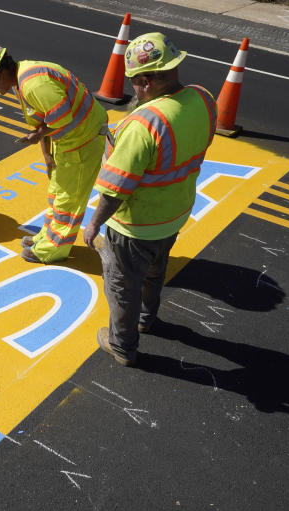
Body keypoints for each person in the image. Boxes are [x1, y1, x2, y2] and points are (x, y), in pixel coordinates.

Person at [82, 32, 218, 366]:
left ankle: (122, 346)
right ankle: (147, 318)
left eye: (134, 83)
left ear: (145, 80)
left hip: (135, 227)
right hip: (175, 214)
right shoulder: (203, 98)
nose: (132, 89)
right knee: (155, 272)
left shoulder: (143, 124)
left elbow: (115, 190)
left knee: (121, 287)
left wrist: (94, 225)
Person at [0, 45, 108, 264]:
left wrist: (38, 137)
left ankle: (53, 249)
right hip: (70, 141)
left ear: (0, 74)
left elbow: (60, 117)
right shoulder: (21, 80)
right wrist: (46, 155)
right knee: (56, 192)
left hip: (84, 140)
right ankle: (48, 236)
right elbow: (43, 119)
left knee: (69, 199)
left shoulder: (33, 84)